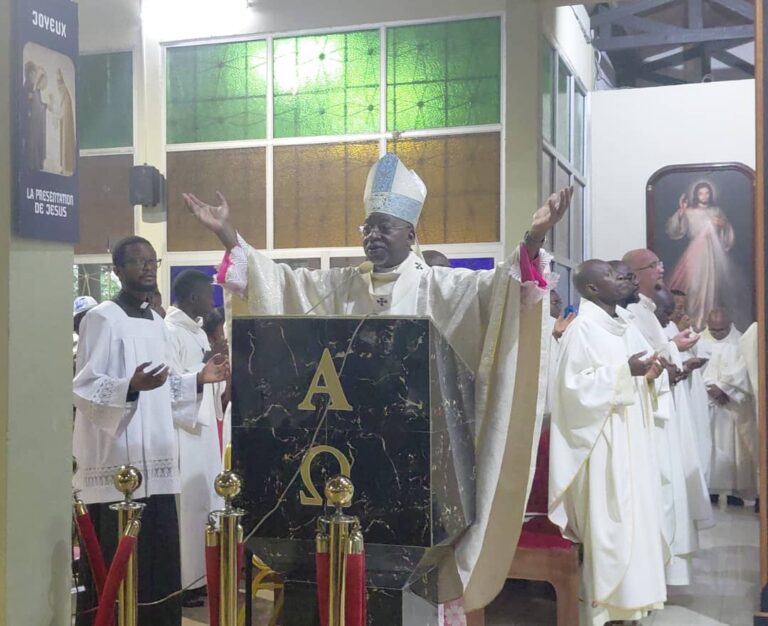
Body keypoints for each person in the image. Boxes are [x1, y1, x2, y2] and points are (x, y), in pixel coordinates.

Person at [183, 152, 573, 611]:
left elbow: (501, 293)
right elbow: (278, 283)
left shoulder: (443, 289)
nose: (373, 236)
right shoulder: (339, 286)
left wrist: (535, 235)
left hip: (414, 469)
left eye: (385, 227)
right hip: (344, 459)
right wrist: (229, 234)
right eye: (368, 227)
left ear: (410, 233)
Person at [73, 236, 229, 626]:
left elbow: (165, 389)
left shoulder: (158, 323)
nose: (146, 267)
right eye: (136, 261)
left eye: (151, 261)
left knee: (157, 561)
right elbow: (85, 385)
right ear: (117, 270)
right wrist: (128, 386)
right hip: (116, 467)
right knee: (114, 561)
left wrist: (197, 378)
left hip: (156, 466)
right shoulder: (102, 318)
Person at [549, 259, 667, 626]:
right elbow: (569, 390)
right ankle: (602, 611)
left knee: (634, 522)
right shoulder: (582, 328)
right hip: (600, 447)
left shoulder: (620, 326)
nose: (623, 278)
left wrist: (645, 376)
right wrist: (622, 373)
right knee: (611, 527)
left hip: (629, 438)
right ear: (592, 289)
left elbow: (634, 373)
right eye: (614, 275)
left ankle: (631, 606)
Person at [622, 249, 710, 585]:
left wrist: (674, 349)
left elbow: (656, 355)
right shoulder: (629, 313)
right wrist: (672, 350)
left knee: (670, 484)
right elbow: (639, 361)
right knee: (660, 486)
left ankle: (663, 567)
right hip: (647, 412)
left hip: (663, 405)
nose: (661, 269)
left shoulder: (646, 311)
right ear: (634, 274)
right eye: (654, 265)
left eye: (660, 263)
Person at [165, 270, 224, 604]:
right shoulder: (168, 331)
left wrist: (214, 370)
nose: (211, 301)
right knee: (187, 507)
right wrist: (200, 376)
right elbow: (168, 384)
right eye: (206, 295)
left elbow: (203, 374)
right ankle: (184, 582)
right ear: (190, 298)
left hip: (202, 430)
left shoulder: (197, 332)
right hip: (183, 431)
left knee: (204, 503)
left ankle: (200, 576)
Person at [666, 182, 746, 329]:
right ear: (696, 195)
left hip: (712, 255)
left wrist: (723, 226)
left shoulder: (717, 211)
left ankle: (708, 322)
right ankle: (692, 321)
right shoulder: (689, 211)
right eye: (701, 193)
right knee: (694, 286)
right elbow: (675, 231)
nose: (704, 196)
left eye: (707, 193)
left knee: (711, 288)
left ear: (711, 194)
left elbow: (727, 234)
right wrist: (681, 213)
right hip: (695, 253)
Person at [701, 309, 757, 506]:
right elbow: (694, 368)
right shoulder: (699, 340)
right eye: (713, 329)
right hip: (706, 404)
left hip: (732, 406)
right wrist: (710, 388)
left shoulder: (741, 342)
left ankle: (734, 492)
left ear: (730, 323)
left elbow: (745, 370)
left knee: (733, 448)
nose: (717, 333)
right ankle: (709, 489)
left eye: (721, 330)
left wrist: (724, 388)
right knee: (708, 447)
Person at [203, 306, 230, 457]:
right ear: (211, 337)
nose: (226, 338)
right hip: (216, 423)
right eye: (223, 332)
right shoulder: (211, 361)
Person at [49, 69, 75, 176]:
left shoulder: (65, 94)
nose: (58, 85)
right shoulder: (62, 93)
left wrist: (56, 115)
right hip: (61, 124)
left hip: (65, 126)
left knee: (64, 145)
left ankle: (65, 166)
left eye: (59, 80)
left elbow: (64, 112)